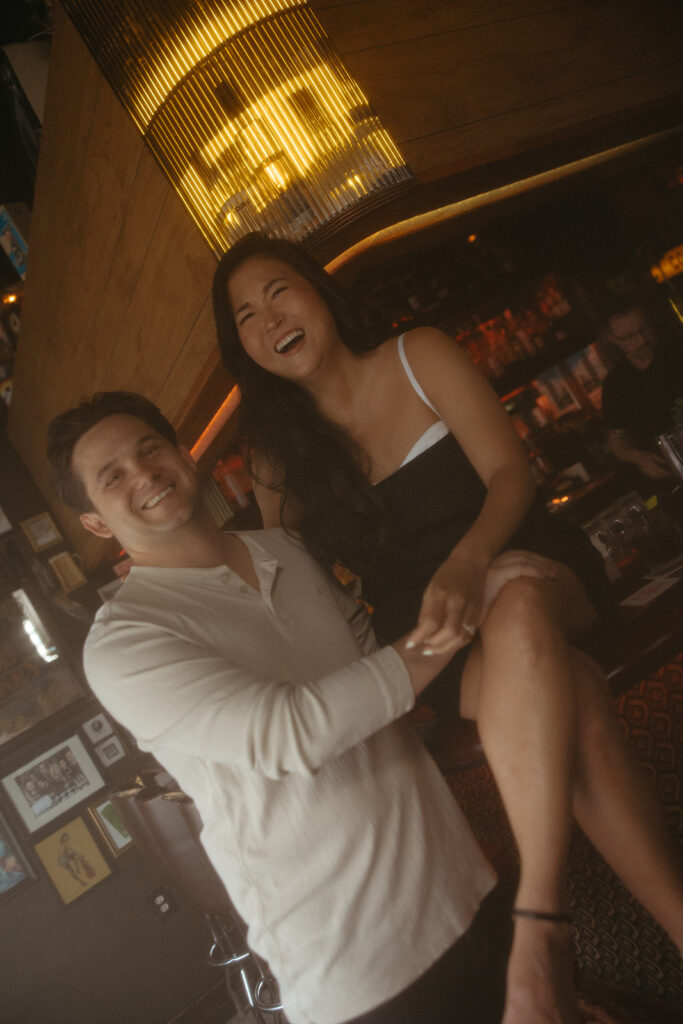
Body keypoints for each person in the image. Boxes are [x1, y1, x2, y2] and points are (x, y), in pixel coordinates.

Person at [213, 232, 683, 1024]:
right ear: (245, 349)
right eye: (247, 316)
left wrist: (472, 565)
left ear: (318, 291)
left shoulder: (415, 353)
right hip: (430, 638)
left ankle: (538, 926)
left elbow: (510, 472)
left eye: (279, 292)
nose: (270, 319)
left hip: (530, 563)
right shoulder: (276, 457)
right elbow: (300, 590)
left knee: (521, 606)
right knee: (564, 685)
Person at [46, 390, 560, 1024]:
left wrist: (511, 624)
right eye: (112, 476)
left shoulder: (287, 550)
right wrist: (464, 609)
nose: (144, 474)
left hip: (469, 888)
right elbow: (291, 732)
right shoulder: (123, 642)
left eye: (149, 449)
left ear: (182, 453)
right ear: (96, 521)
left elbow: (385, 675)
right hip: (358, 968)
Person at [601, 293, 683, 482]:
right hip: (671, 475)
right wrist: (637, 457)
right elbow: (616, 438)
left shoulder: (678, 351)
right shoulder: (616, 384)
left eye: (644, 329)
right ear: (614, 341)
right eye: (629, 336)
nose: (642, 340)